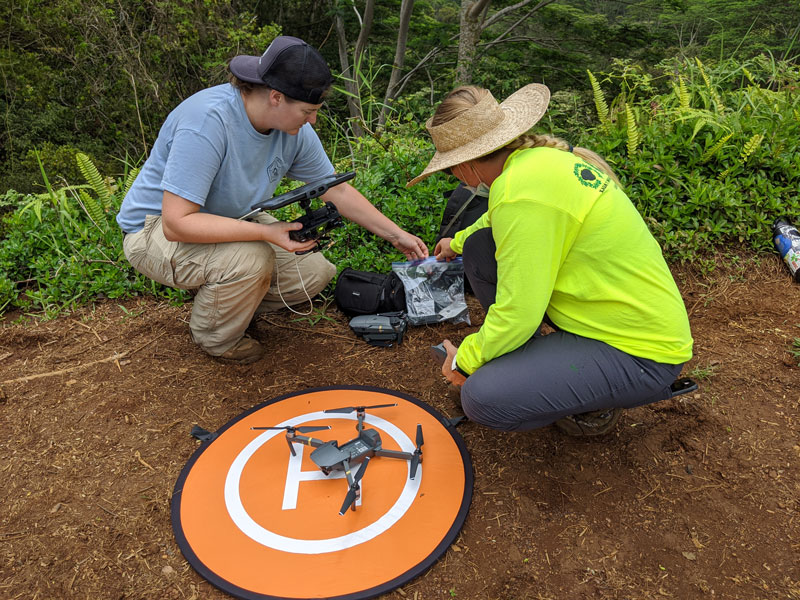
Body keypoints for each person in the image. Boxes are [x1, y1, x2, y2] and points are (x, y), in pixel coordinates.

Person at [117, 36, 428, 364]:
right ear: (276, 97)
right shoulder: (207, 122)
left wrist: (397, 235)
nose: (312, 121)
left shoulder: (294, 131)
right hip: (152, 231)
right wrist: (266, 233)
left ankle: (224, 299)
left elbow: (334, 189)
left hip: (230, 219)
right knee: (252, 259)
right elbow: (177, 222)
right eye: (308, 111)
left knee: (314, 272)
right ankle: (215, 337)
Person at [409, 84, 693, 435]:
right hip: (612, 317)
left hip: (641, 354)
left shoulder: (519, 195)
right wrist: (458, 241)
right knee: (481, 247)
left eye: (450, 169)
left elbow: (518, 314)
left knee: (482, 397)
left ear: (465, 166)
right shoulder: (538, 163)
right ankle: (539, 369)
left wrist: (464, 362)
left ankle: (580, 398)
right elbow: (500, 220)